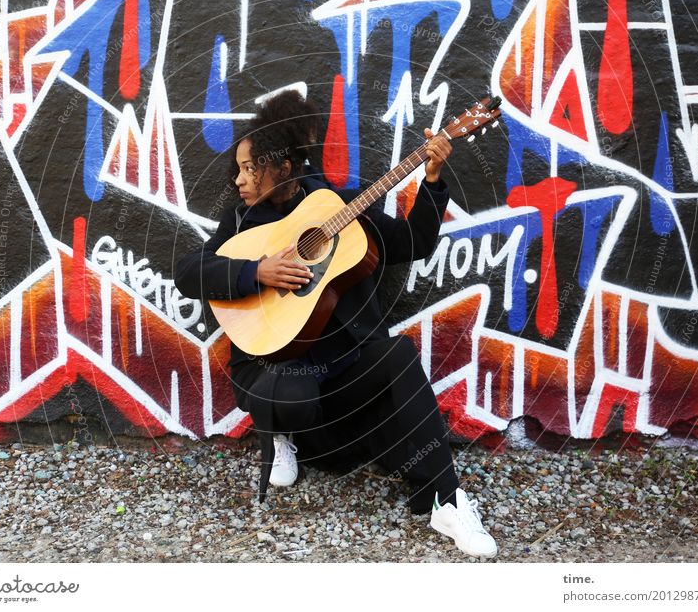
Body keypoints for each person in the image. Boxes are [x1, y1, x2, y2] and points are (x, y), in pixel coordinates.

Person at [175, 91, 497, 558]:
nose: (239, 179)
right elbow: (189, 272)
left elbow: (414, 242)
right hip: (279, 381)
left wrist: (431, 180)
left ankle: (444, 501)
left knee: (400, 356)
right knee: (292, 390)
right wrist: (257, 271)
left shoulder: (336, 207)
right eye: (239, 169)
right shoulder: (242, 223)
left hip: (345, 381)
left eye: (249, 169)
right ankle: (280, 434)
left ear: (283, 169)